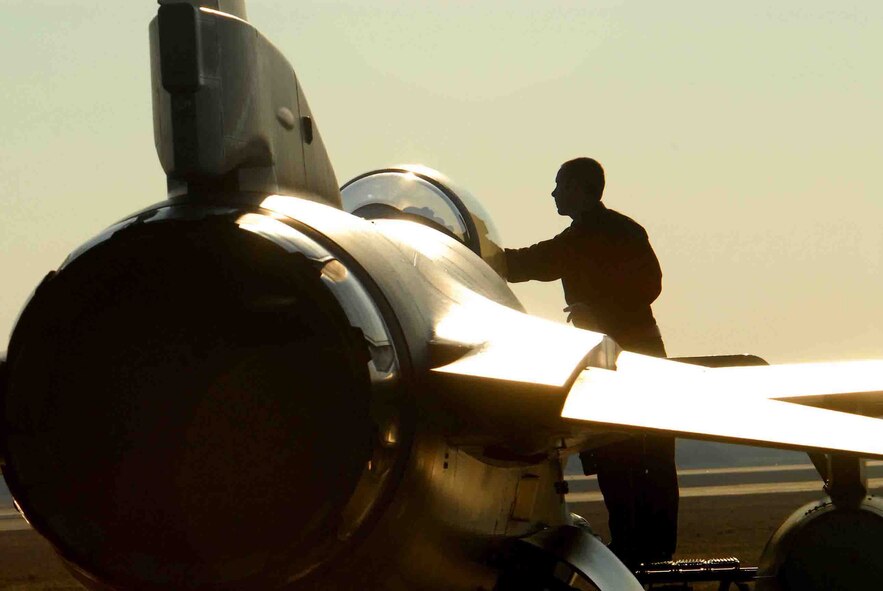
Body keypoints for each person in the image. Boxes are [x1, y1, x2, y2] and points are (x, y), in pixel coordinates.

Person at [503, 157, 679, 567]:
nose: (553, 193)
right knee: (651, 455)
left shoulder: (581, 239)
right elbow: (650, 286)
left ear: (579, 189)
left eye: (560, 185)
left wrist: (594, 310)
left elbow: (526, 264)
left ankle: (634, 549)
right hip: (646, 353)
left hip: (620, 359)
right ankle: (654, 549)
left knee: (617, 453)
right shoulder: (622, 230)